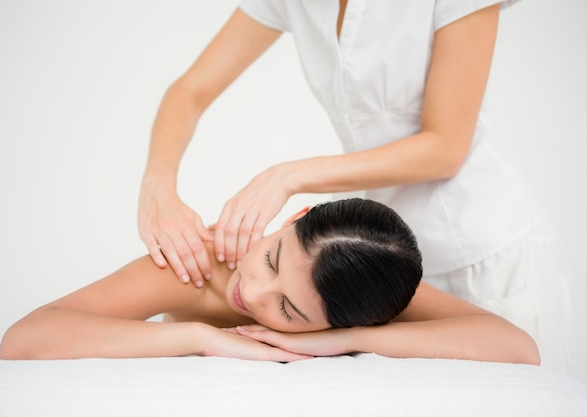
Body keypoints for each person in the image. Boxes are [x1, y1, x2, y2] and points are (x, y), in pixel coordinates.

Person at [137, 1, 571, 371]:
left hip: (479, 246)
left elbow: (446, 147)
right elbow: (191, 90)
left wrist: (289, 175)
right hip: (362, 255)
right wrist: (158, 189)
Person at [0, 198, 539, 364]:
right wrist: (201, 338)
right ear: (291, 218)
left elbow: (518, 348)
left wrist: (348, 340)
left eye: (289, 311)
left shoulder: (368, 286)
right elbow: (24, 338)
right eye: (272, 260)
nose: (251, 292)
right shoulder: (200, 266)